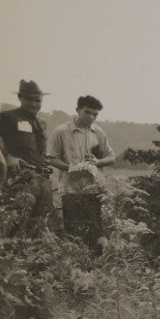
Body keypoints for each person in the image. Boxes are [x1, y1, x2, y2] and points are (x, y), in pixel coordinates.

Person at [46, 95, 115, 250]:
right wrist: (70, 167)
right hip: (71, 189)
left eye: (95, 114)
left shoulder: (98, 132)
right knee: (74, 233)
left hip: (95, 189)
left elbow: (111, 157)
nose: (91, 117)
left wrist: (98, 162)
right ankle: (77, 269)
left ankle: (94, 270)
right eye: (87, 112)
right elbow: (51, 158)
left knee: (96, 232)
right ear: (77, 110)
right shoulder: (61, 132)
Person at [0, 79, 54, 221]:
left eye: (38, 101)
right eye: (29, 99)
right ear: (20, 98)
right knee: (15, 221)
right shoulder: (7, 117)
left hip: (43, 179)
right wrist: (8, 157)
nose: (34, 104)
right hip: (21, 177)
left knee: (40, 225)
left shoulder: (41, 123)